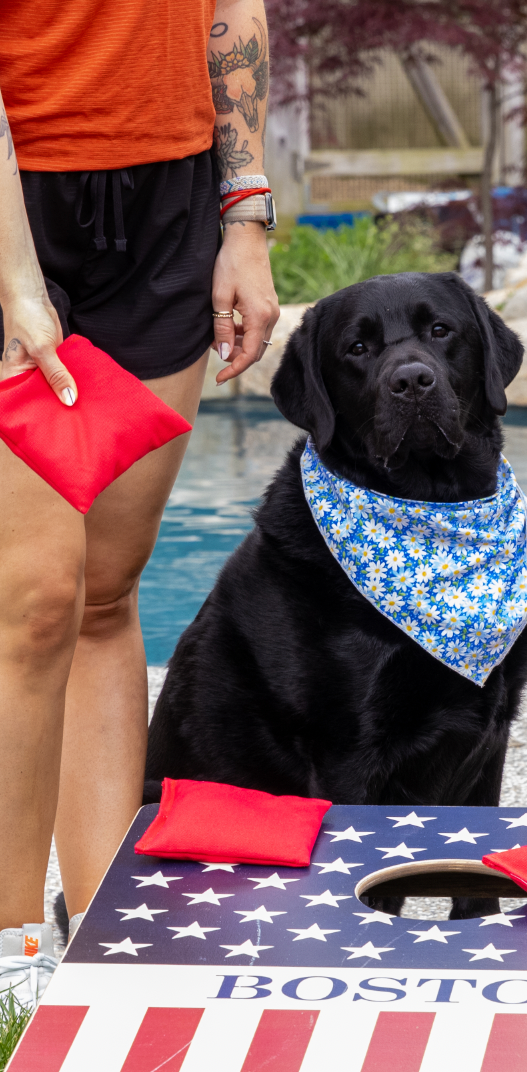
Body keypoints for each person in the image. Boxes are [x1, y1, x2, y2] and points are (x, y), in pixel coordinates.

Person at [0, 0, 281, 979]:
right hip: (15, 187)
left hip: (166, 196)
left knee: (108, 587)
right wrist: (14, 272)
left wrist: (244, 217)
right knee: (32, 602)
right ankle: (9, 960)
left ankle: (106, 938)